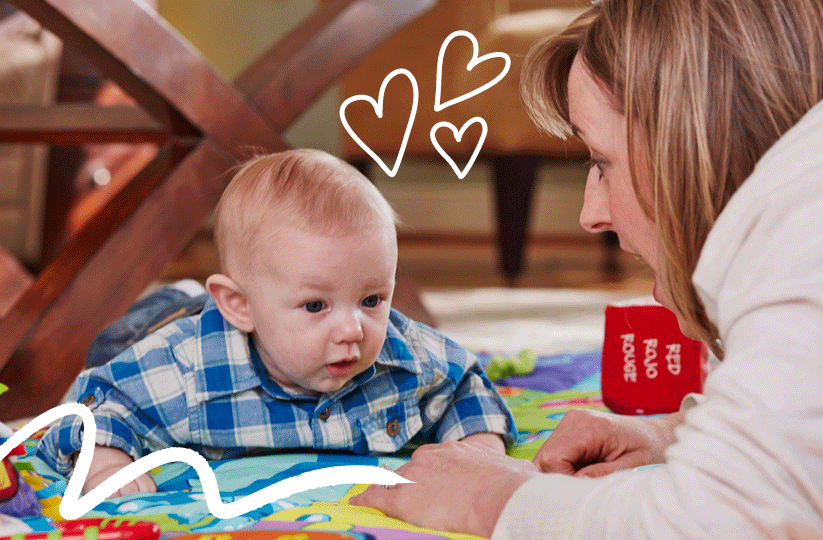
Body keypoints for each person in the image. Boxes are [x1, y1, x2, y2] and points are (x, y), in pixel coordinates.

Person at [352, 0, 823, 537]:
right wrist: (676, 438)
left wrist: (500, 501)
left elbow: (733, 525)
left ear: (694, 131)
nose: (592, 215)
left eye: (599, 161)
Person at [37, 149, 517, 497]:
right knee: (126, 340)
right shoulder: (182, 370)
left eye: (371, 299)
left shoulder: (401, 354)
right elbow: (94, 406)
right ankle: (186, 298)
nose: (353, 329)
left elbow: (463, 383)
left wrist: (479, 448)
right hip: (161, 326)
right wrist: (106, 459)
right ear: (239, 305)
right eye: (316, 306)